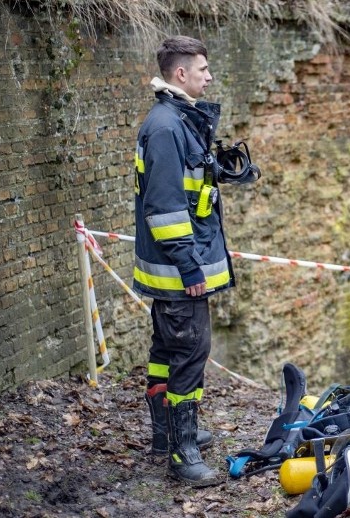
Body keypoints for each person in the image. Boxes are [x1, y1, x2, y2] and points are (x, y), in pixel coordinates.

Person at [133, 36, 234, 487]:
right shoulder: (167, 127)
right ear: (180, 74)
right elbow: (166, 207)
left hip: (176, 264)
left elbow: (189, 190)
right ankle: (183, 451)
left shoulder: (177, 119)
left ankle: (164, 433)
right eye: (202, 69)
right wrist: (190, 268)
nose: (208, 76)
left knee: (166, 352)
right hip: (179, 271)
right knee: (190, 354)